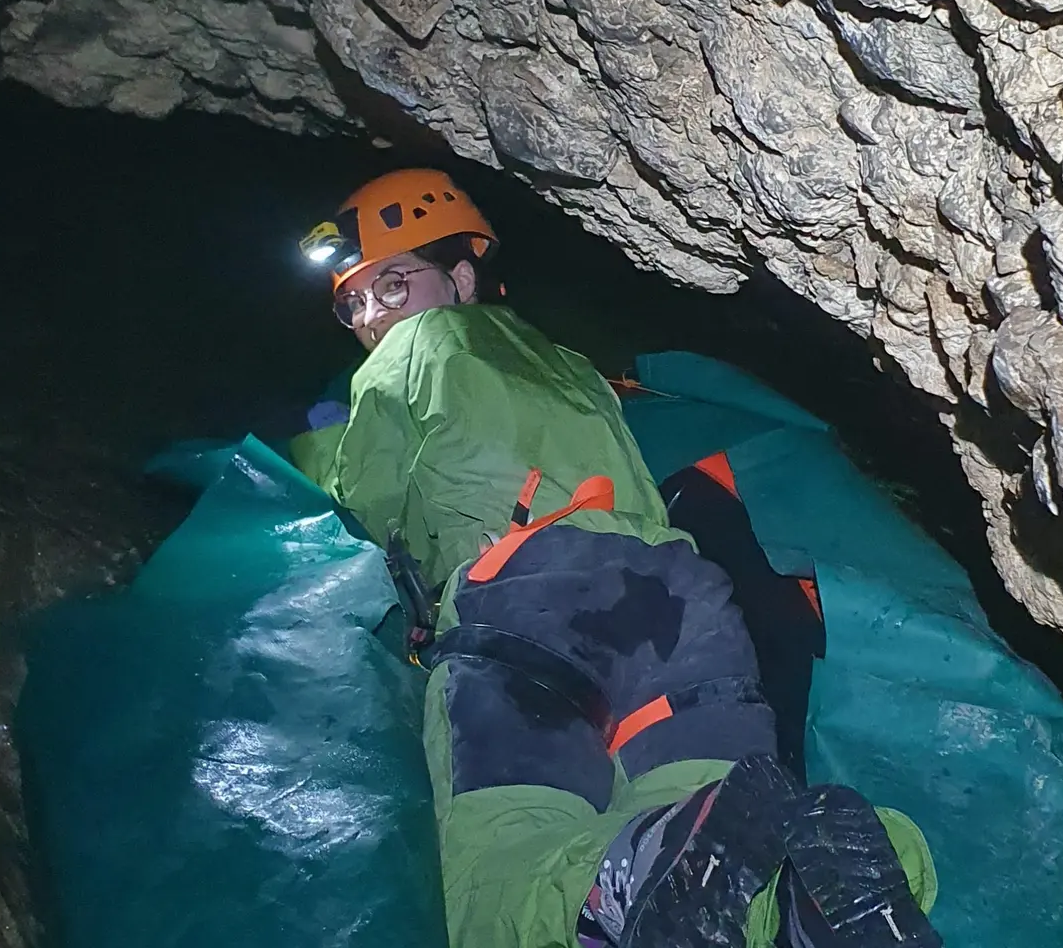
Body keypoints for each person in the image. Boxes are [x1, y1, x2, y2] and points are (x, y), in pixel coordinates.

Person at [292, 168, 940, 948]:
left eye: (393, 285)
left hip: (527, 595)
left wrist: (322, 438)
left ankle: (614, 884)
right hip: (678, 597)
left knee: (507, 850)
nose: (371, 316)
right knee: (702, 810)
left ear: (461, 278)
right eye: (353, 303)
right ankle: (810, 895)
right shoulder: (570, 365)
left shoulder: (406, 355)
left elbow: (367, 494)